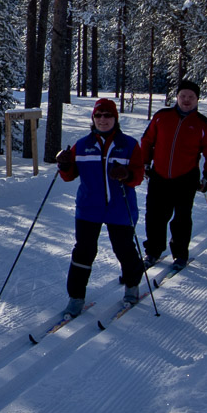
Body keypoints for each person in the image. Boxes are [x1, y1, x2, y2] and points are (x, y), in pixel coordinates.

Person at [54, 98, 147, 319]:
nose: (103, 120)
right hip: (89, 208)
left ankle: (132, 286)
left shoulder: (130, 144)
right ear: (93, 119)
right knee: (83, 252)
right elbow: (69, 176)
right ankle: (76, 298)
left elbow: (139, 176)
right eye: (98, 116)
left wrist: (127, 175)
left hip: (120, 207)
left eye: (108, 115)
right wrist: (64, 164)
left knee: (124, 249)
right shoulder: (82, 145)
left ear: (115, 118)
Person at [138, 79, 207, 270]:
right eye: (183, 96)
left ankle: (180, 254)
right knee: (155, 217)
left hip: (186, 178)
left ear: (197, 100)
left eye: (191, 97)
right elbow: (147, 140)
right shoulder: (162, 117)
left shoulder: (203, 124)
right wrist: (145, 163)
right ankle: (153, 251)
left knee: (182, 219)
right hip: (159, 176)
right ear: (177, 97)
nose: (186, 100)